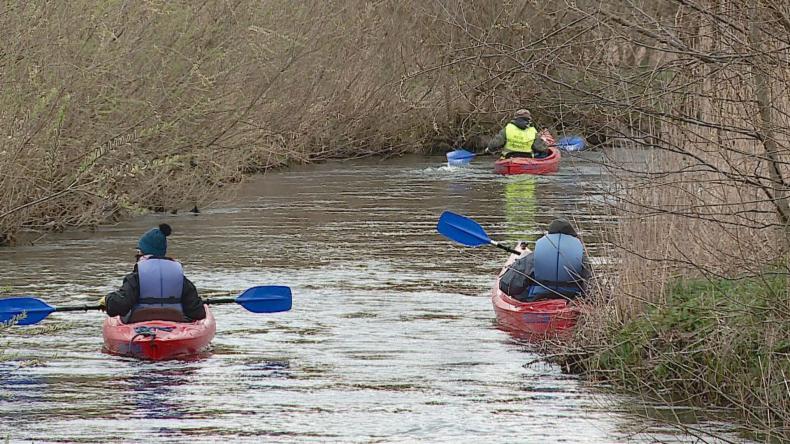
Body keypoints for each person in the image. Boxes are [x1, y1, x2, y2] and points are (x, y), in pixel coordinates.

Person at [99, 224, 206, 323]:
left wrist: (107, 300)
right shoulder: (180, 278)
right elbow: (197, 313)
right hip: (175, 324)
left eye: (139, 251)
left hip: (140, 324)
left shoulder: (136, 278)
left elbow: (118, 306)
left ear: (142, 253)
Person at [498, 218, 591, 302]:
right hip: (571, 299)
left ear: (549, 234)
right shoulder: (581, 257)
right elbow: (591, 288)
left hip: (537, 297)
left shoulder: (534, 257)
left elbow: (508, 286)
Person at [485, 109, 549, 158]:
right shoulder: (533, 131)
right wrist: (545, 148)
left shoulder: (507, 129)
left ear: (515, 118)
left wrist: (489, 149)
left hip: (509, 158)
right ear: (529, 119)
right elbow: (541, 148)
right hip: (527, 159)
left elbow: (496, 144)